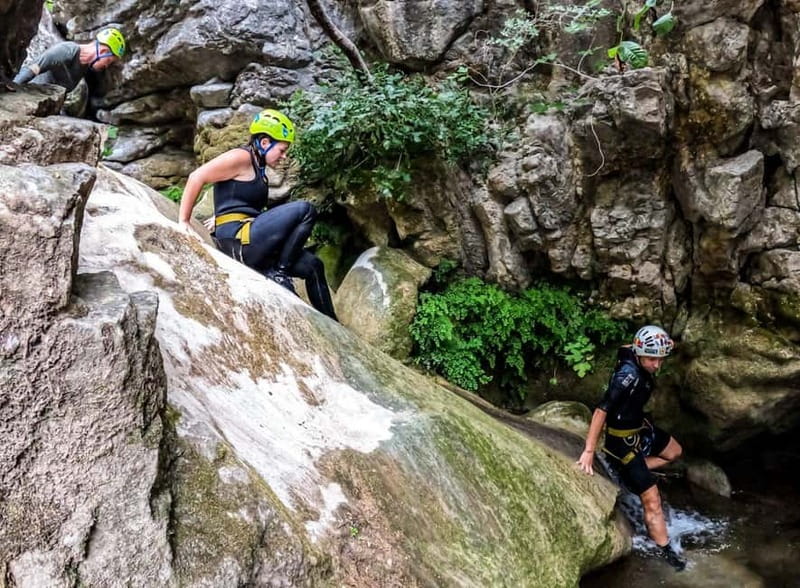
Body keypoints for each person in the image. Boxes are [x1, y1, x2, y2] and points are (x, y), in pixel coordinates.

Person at [178, 108, 338, 321]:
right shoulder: (240, 157)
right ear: (264, 143)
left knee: (313, 266)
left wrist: (221, 215)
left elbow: (237, 199)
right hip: (240, 241)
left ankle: (332, 324)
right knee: (305, 209)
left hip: (251, 239)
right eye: (281, 150)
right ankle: (280, 274)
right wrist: (184, 220)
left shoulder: (258, 167)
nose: (284, 156)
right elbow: (196, 177)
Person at [576, 325, 686, 570]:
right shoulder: (627, 376)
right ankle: (666, 549)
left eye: (660, 359)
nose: (656, 365)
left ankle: (630, 473)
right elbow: (601, 410)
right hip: (621, 441)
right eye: (651, 360)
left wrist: (663, 341)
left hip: (640, 429)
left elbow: (636, 345)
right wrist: (589, 450)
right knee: (652, 499)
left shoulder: (633, 352)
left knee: (675, 452)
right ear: (638, 354)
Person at [13, 28, 126, 91]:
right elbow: (33, 68)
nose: (106, 66)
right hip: (27, 96)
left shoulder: (84, 66)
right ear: (103, 52)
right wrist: (11, 90)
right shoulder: (67, 51)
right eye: (108, 61)